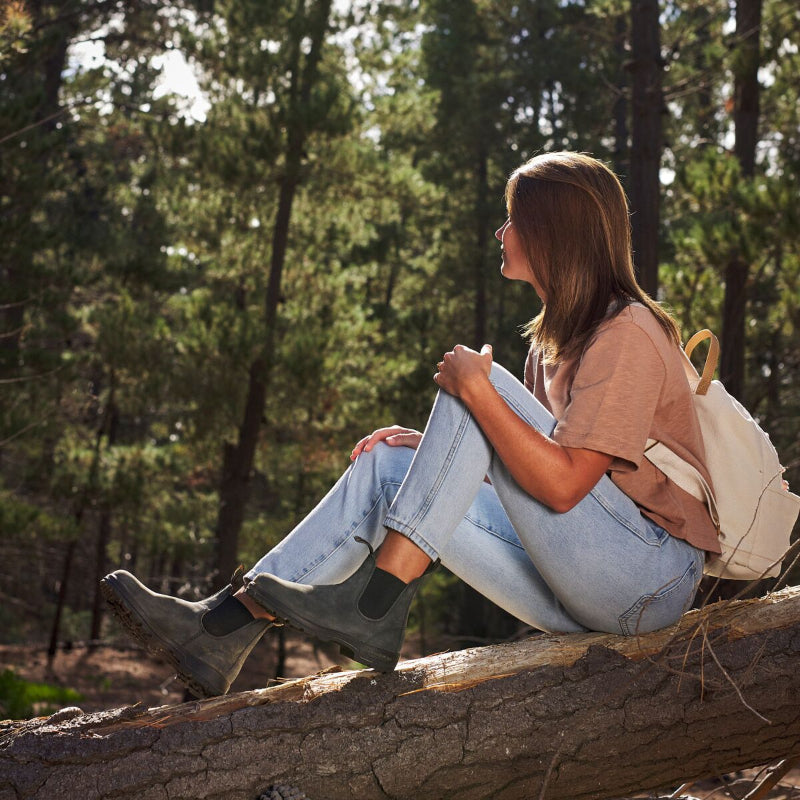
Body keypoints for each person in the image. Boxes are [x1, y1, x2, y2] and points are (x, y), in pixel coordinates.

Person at [101, 152, 720, 699]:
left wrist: (477, 397)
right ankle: (221, 630)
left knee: (477, 382)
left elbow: (563, 488)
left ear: (552, 231)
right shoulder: (553, 345)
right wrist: (437, 451)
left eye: (513, 219)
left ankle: (378, 602)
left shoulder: (628, 333)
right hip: (580, 579)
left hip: (647, 581)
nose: (501, 232)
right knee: (388, 466)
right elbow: (534, 479)